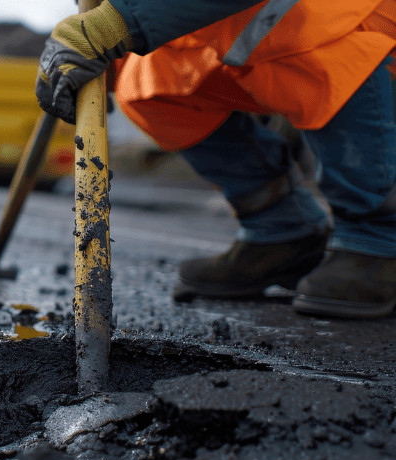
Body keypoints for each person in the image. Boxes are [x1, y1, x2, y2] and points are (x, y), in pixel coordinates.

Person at [36, 0, 396, 318]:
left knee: (321, 43)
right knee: (145, 81)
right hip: (262, 26)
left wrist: (110, 26)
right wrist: (98, 56)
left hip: (361, 19)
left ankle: (377, 239)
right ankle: (281, 229)